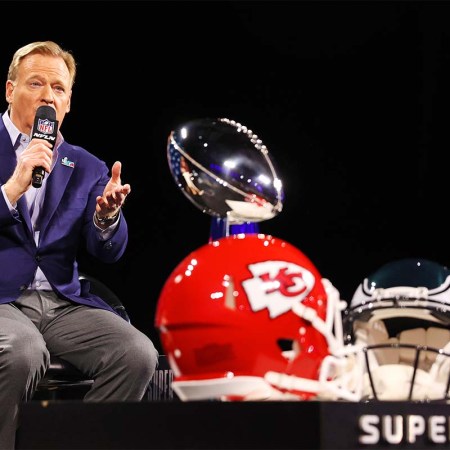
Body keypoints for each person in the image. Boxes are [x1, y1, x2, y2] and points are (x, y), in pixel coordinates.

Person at [0, 41, 159, 449]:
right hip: (1, 300)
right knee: (22, 351)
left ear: (68, 102)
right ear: (9, 89)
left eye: (58, 88)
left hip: (61, 303)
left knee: (137, 353)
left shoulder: (85, 164)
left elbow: (109, 250)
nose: (47, 95)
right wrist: (14, 187)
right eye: (35, 83)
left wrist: (107, 219)